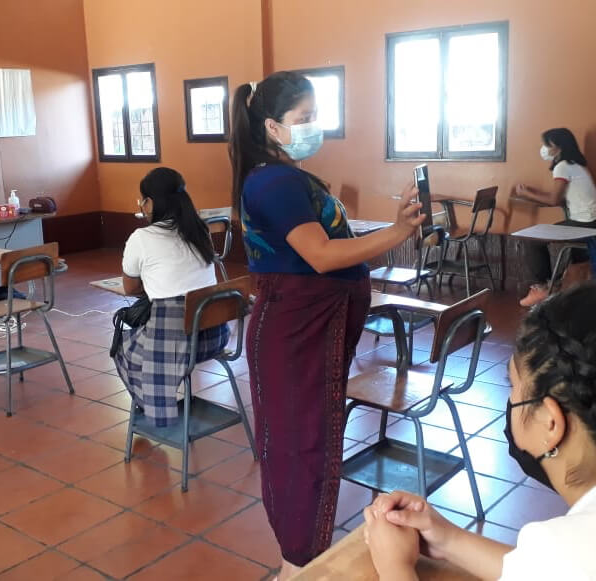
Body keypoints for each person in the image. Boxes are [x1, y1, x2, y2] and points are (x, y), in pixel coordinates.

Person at [228, 70, 425, 580]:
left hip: (309, 331)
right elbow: (320, 255)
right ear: (272, 126)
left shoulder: (289, 176)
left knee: (309, 443)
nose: (314, 126)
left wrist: (395, 230)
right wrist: (398, 232)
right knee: (299, 449)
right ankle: (297, 565)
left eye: (316, 115)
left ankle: (296, 561)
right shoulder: (273, 181)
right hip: (295, 336)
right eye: (305, 117)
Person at [363, 283, 596, 581]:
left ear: (550, 423)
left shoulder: (566, 550)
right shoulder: (567, 552)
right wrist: (447, 539)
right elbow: (541, 568)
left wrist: (394, 566)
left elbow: (561, 564)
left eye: (513, 386)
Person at [113, 167, 228, 426]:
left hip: (174, 346)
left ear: (149, 203)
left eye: (142, 200)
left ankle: (151, 406)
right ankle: (156, 402)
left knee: (122, 347)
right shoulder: (200, 230)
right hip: (214, 338)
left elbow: (130, 288)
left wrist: (157, 287)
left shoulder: (141, 237)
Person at [514, 128, 596, 307]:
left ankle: (542, 288)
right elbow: (558, 197)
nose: (544, 148)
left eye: (547, 144)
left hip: (583, 224)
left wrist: (526, 193)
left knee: (531, 240)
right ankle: (555, 287)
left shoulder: (563, 166)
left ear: (558, 146)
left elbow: (553, 200)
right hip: (590, 223)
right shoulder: (577, 165)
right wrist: (534, 194)